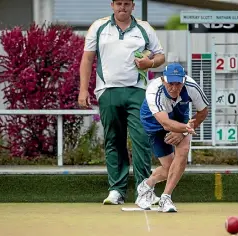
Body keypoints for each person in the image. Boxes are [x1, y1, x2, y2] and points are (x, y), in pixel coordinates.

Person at [78, 0, 165, 205]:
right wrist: (83, 90)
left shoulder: (144, 28)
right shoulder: (98, 27)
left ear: (133, 6)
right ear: (112, 5)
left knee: (141, 140)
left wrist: (150, 63)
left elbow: (160, 56)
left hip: (138, 92)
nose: (122, 7)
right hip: (107, 90)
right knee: (114, 140)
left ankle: (144, 190)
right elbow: (88, 59)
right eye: (119, 3)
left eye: (127, 3)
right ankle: (116, 190)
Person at [135, 62, 209, 212]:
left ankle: (166, 198)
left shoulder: (191, 87)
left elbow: (203, 112)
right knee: (169, 168)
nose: (174, 88)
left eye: (178, 84)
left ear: (184, 80)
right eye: (171, 83)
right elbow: (165, 123)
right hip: (154, 120)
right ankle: (146, 186)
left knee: (184, 148)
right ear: (163, 80)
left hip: (179, 115)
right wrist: (185, 128)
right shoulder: (153, 91)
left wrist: (182, 131)